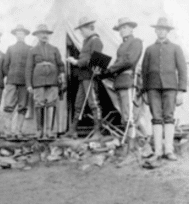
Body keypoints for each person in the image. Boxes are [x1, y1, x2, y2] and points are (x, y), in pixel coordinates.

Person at [142, 17, 187, 162]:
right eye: (158, 29)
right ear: (155, 31)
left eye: (164, 29)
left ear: (167, 31)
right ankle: (158, 151)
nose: (161, 31)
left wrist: (181, 91)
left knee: (169, 117)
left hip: (171, 88)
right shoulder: (149, 49)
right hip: (152, 88)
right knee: (156, 118)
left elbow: (182, 71)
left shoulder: (176, 48)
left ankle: (169, 150)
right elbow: (144, 72)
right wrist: (144, 91)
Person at [104, 17, 143, 166]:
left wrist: (111, 69)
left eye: (125, 27)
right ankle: (131, 148)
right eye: (120, 28)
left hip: (128, 81)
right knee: (125, 116)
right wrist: (106, 72)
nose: (122, 30)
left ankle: (132, 150)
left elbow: (128, 61)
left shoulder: (136, 42)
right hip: (120, 82)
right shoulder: (121, 46)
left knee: (130, 116)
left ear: (132, 28)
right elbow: (117, 63)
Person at [66, 17, 103, 139]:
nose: (81, 32)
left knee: (93, 103)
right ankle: (73, 130)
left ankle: (97, 132)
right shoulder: (86, 41)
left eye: (82, 29)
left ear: (89, 28)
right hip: (84, 77)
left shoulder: (96, 40)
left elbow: (95, 60)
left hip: (90, 76)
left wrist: (76, 62)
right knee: (78, 103)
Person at [25, 24, 65, 138]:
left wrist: (62, 74)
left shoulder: (54, 49)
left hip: (52, 81)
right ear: (37, 35)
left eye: (46, 33)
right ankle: (39, 130)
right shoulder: (32, 51)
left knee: (51, 104)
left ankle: (49, 130)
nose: (44, 35)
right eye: (42, 33)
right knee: (39, 104)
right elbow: (28, 68)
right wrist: (29, 85)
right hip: (38, 81)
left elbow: (60, 64)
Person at [3, 24, 32, 138]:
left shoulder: (30, 49)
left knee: (22, 106)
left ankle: (18, 131)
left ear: (25, 35)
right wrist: (10, 76)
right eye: (18, 33)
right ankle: (7, 131)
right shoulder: (10, 49)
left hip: (24, 82)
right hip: (11, 81)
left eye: (22, 33)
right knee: (8, 106)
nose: (20, 36)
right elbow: (5, 66)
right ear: (15, 35)